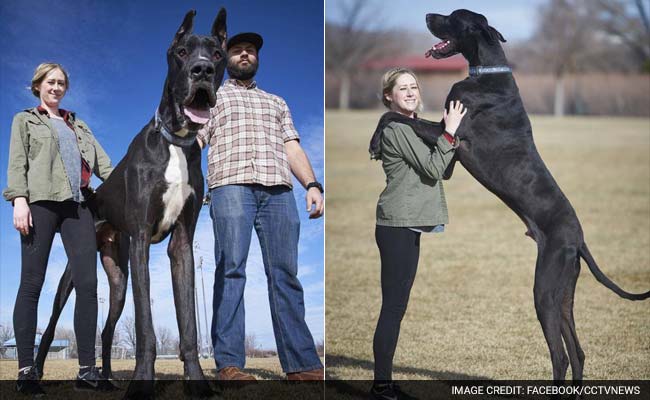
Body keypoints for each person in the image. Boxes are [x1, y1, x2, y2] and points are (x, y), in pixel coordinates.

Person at [197, 32, 324, 381]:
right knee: (231, 269)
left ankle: (303, 364)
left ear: (256, 58)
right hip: (230, 186)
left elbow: (292, 147)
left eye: (249, 51)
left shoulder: (277, 102)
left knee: (285, 274)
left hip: (278, 192)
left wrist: (311, 184)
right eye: (237, 51)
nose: (243, 55)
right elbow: (193, 140)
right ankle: (230, 364)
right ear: (226, 58)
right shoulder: (212, 98)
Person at [3, 63, 113, 394]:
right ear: (38, 85)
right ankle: (26, 371)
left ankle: (86, 371)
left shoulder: (78, 125)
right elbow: (17, 162)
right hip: (39, 204)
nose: (56, 87)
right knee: (31, 283)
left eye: (61, 82)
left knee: (88, 283)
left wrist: (133, 189)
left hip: (77, 206)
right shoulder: (25, 120)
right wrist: (18, 199)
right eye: (50, 82)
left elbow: (106, 166)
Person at [369, 67, 467, 399]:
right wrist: (449, 132)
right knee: (393, 307)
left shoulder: (414, 127)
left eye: (414, 87)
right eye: (403, 88)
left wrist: (446, 133)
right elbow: (433, 167)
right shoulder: (397, 128)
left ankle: (385, 381)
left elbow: (443, 168)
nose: (411, 92)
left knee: (397, 306)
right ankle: (381, 385)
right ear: (389, 96)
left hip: (407, 224)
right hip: (396, 225)